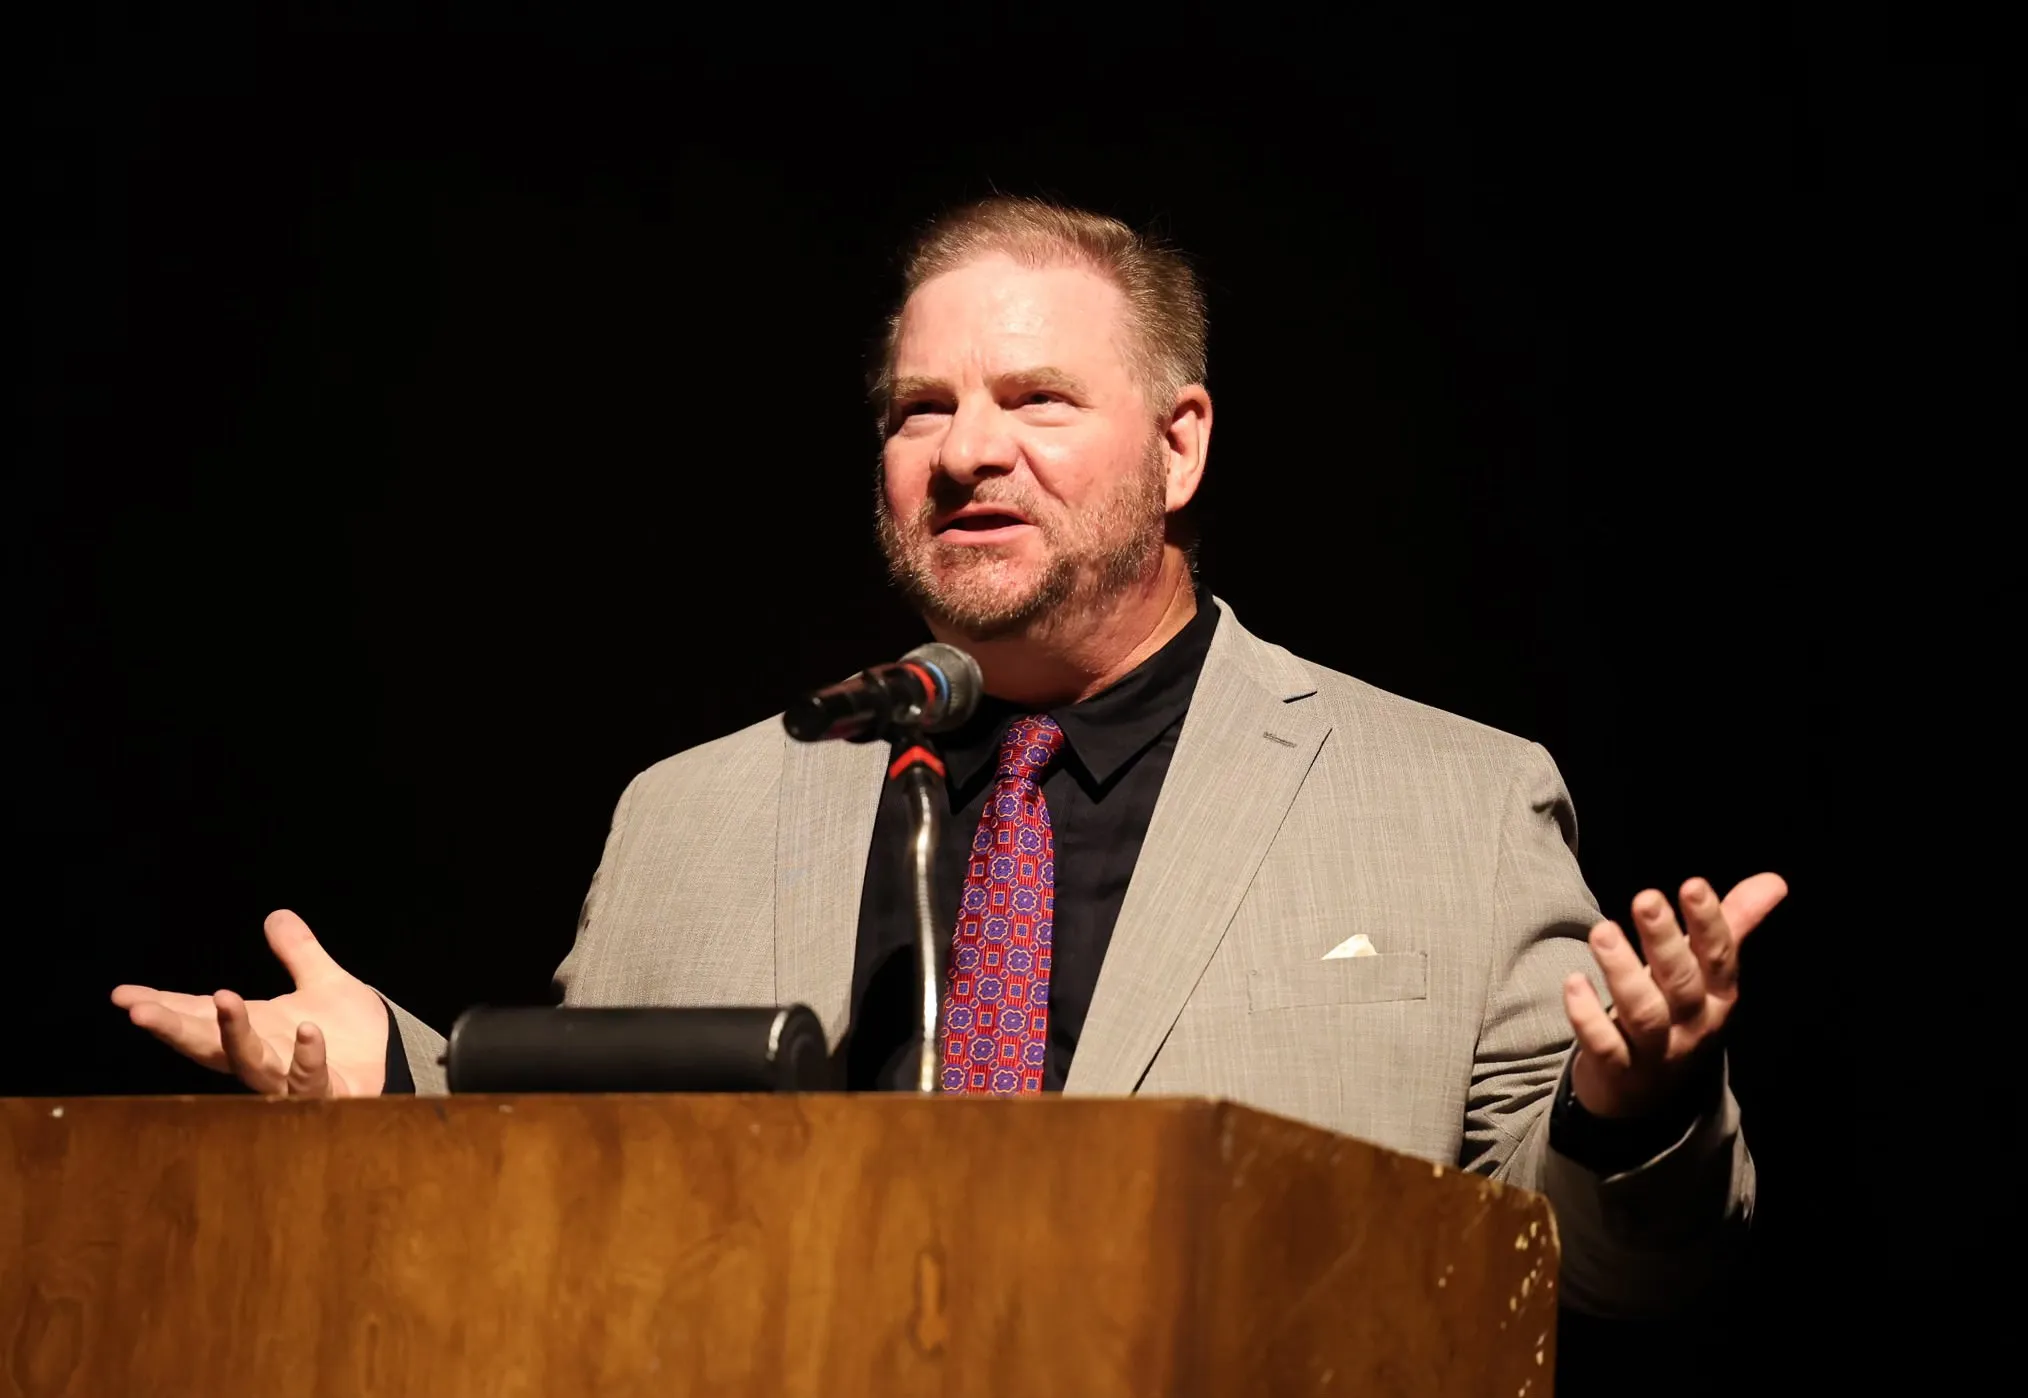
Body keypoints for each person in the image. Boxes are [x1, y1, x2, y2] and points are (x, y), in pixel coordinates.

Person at [114, 197, 1783, 1318]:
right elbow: (583, 1190)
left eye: (1037, 398)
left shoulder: (1453, 804)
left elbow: (1589, 1268)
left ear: (1181, 443)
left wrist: (1631, 1109)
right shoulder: (699, 809)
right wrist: (395, 1082)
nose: (968, 451)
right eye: (923, 408)